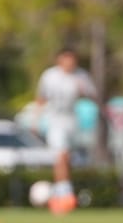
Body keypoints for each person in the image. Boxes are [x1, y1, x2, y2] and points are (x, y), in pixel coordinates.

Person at [33, 48, 98, 213]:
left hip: (72, 120)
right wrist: (35, 120)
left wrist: (84, 90)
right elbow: (41, 99)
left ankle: (60, 190)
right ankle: (65, 195)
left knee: (68, 158)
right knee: (60, 156)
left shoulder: (81, 76)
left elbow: (92, 96)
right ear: (59, 60)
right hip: (55, 119)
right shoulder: (50, 76)